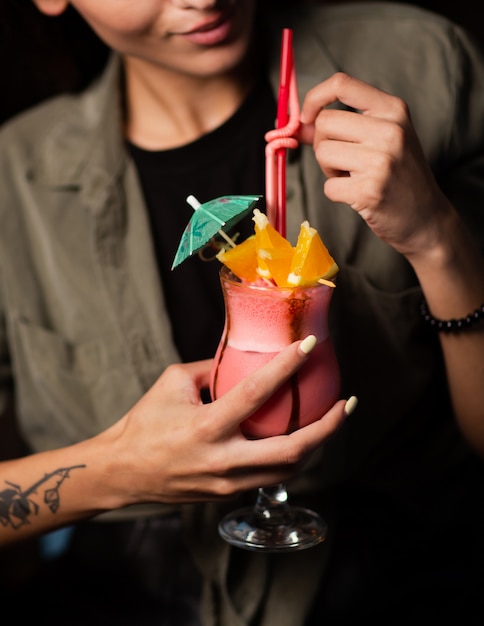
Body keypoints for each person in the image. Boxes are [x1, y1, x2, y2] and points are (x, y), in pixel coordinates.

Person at [0, 1, 483, 625]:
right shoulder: (13, 181)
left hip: (410, 579)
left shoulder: (420, 64)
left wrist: (436, 237)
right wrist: (118, 471)